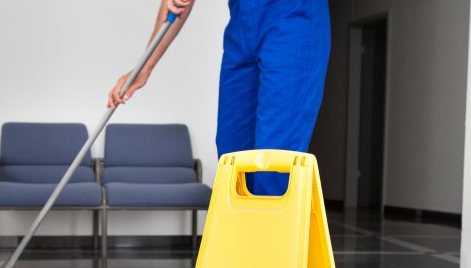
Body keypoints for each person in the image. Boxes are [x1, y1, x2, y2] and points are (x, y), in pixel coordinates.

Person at [108, 0, 331, 196]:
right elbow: (176, 5)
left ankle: (272, 242)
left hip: (293, 19)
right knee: (232, 157)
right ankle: (241, 242)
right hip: (242, 25)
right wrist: (145, 67)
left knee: (274, 163)